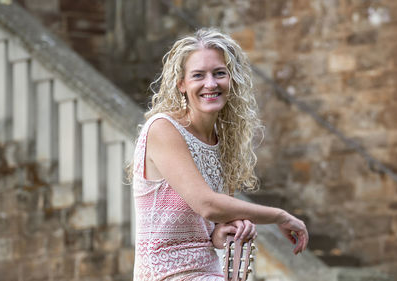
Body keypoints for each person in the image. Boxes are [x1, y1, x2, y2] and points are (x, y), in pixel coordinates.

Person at [131, 28, 308, 281]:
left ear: (231, 79)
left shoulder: (224, 140)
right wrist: (280, 216)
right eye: (198, 75)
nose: (210, 83)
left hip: (209, 272)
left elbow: (211, 228)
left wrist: (224, 232)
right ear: (181, 84)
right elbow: (208, 205)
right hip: (165, 275)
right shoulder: (163, 128)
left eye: (219, 73)